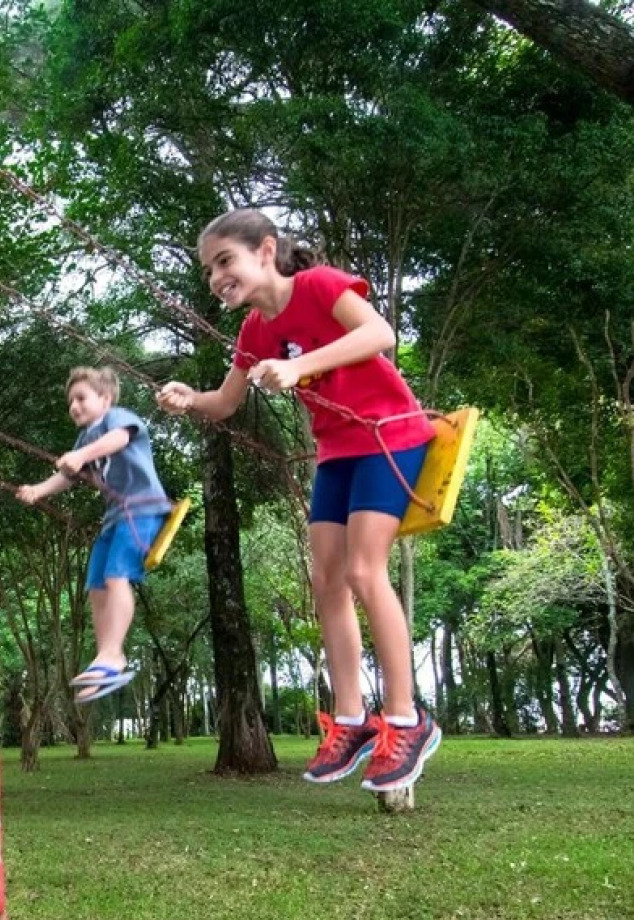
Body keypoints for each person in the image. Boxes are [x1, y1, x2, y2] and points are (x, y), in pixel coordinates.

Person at [157, 208, 439, 793]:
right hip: (337, 451)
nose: (215, 278)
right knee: (327, 583)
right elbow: (225, 403)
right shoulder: (254, 331)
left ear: (265, 250)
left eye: (224, 261)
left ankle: (408, 718)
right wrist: (191, 400)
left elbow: (379, 334)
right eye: (209, 269)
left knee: (365, 571)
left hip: (391, 435)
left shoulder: (318, 286)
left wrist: (299, 365)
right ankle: (352, 718)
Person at [18, 366, 171, 704]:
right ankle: (105, 659)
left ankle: (113, 655)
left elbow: (119, 440)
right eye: (70, 400)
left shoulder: (116, 419)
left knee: (118, 577)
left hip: (142, 510)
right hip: (115, 519)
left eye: (81, 398)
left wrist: (81, 455)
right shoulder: (85, 439)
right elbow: (69, 475)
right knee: (96, 586)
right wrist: (38, 491)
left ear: (105, 398)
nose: (74, 405)